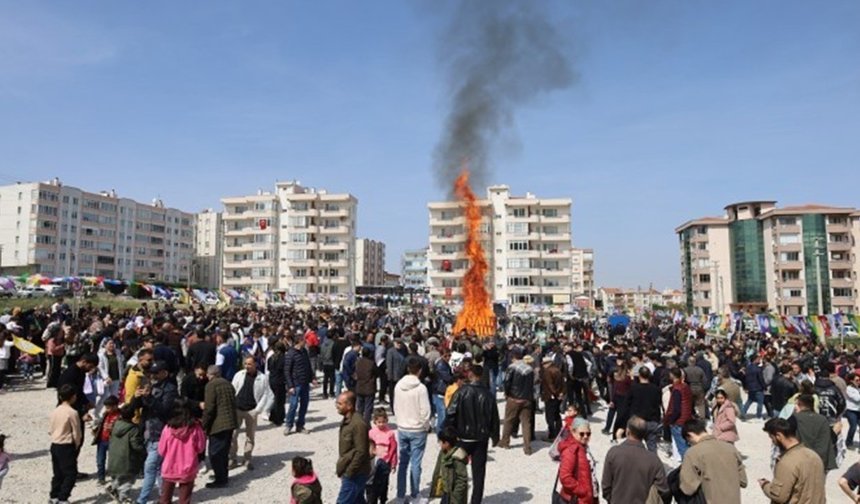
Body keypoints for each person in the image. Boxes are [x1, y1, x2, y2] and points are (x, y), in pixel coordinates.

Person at [444, 364, 499, 504]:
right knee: (479, 474)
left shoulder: (461, 392)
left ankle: (454, 499)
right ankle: (476, 501)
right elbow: (494, 417)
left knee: (455, 470)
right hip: (481, 439)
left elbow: (450, 413)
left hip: (463, 437)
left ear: (470, 374)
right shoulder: (488, 394)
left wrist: (449, 432)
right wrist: (495, 436)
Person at [129, 360, 179, 504]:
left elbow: (165, 410)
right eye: (152, 373)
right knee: (158, 468)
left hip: (160, 434)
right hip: (147, 433)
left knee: (150, 467)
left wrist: (149, 397)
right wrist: (137, 397)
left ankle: (142, 500)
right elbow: (135, 407)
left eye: (156, 373)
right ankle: (164, 496)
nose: (154, 375)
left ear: (165, 373)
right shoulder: (152, 386)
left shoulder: (170, 389)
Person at [601, 416, 669, 504]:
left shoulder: (613, 453)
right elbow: (663, 490)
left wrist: (612, 500)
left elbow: (606, 486)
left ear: (627, 431)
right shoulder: (654, 460)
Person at [679, 418, 747, 504]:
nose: (689, 444)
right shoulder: (731, 448)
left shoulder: (692, 452)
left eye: (688, 442)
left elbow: (687, 488)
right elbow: (743, 481)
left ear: (690, 435)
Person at [759, 418, 825, 503]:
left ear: (779, 436)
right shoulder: (814, 456)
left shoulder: (787, 462)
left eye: (772, 438)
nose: (773, 442)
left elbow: (779, 496)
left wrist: (765, 485)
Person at [393, 356, 431, 503]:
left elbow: (395, 406)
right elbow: (425, 412)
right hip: (417, 429)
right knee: (416, 463)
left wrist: (400, 420)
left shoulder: (398, 386)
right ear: (419, 370)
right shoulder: (421, 388)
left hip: (402, 427)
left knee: (403, 463)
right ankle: (415, 495)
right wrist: (425, 425)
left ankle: (401, 495)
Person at [157, 398, 206, 504]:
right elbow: (200, 447)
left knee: (164, 499)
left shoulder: (168, 428)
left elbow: (161, 450)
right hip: (188, 467)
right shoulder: (195, 428)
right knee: (184, 500)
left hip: (169, 466)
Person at [230, 355, 273, 470]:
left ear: (255, 364)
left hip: (251, 411)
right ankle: (232, 458)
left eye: (249, 364)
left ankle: (247, 458)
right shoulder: (239, 375)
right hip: (237, 409)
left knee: (250, 436)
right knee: (233, 435)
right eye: (245, 364)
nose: (247, 366)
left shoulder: (263, 378)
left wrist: (258, 410)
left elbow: (266, 394)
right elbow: (233, 388)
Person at [201, 365, 238, 489]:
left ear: (210, 374)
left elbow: (209, 408)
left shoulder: (211, 386)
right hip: (230, 422)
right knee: (224, 451)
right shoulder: (228, 383)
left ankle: (220, 479)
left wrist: (203, 424)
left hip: (218, 424)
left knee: (215, 453)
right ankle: (223, 475)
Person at [336, 391, 371, 504]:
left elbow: (361, 452)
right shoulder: (347, 421)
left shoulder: (358, 424)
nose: (337, 406)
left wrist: (349, 472)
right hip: (352, 471)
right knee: (357, 500)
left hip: (356, 473)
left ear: (349, 406)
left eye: (340, 404)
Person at [50, 384, 83, 504]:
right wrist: (77, 445)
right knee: (70, 473)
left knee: (57, 472)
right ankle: (63, 497)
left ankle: (54, 495)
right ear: (73, 397)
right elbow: (77, 432)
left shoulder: (55, 410)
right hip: (66, 444)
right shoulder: (72, 412)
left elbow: (51, 429)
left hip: (55, 443)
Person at [499, 347, 535, 455]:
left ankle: (505, 441)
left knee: (509, 420)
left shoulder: (512, 367)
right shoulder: (529, 368)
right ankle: (527, 447)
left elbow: (507, 382)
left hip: (514, 398)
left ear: (513, 357)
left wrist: (506, 393)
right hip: (527, 398)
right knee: (526, 423)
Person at [107, 405, 145, 504]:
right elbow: (135, 445)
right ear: (132, 416)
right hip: (127, 459)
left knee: (117, 476)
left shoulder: (115, 425)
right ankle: (124, 498)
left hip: (114, 457)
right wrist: (144, 450)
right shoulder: (133, 429)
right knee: (128, 480)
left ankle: (113, 488)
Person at [556, 418, 598, 504]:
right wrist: (583, 491)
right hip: (577, 499)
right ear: (573, 432)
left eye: (588, 434)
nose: (585, 436)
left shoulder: (582, 446)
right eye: (582, 434)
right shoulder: (571, 450)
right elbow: (565, 477)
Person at [792, 394, 837, 471]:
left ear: (800, 404)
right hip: (820, 460)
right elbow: (832, 438)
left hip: (800, 460)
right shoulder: (823, 419)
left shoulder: (794, 418)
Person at [627, 366, 663, 452]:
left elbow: (627, 404)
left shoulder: (633, 388)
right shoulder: (656, 389)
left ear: (639, 375)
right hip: (652, 420)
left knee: (634, 447)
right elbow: (658, 403)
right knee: (652, 448)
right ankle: (653, 464)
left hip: (637, 421)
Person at [429, 426, 468, 504]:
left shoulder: (457, 457)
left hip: (454, 496)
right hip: (446, 492)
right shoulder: (443, 452)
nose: (439, 444)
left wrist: (455, 499)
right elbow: (438, 470)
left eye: (440, 442)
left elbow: (462, 479)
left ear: (447, 443)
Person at [284, 336, 314, 436]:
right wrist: (290, 385)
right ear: (299, 342)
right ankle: (288, 425)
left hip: (305, 382)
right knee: (293, 405)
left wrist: (312, 377)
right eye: (304, 341)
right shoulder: (291, 353)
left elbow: (308, 365)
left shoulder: (304, 351)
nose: (305, 342)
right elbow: (287, 371)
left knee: (304, 405)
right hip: (296, 383)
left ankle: (300, 425)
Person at [367, 408, 397, 504]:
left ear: (386, 421)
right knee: (372, 483)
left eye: (383, 422)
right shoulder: (371, 433)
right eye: (379, 422)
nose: (381, 424)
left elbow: (393, 448)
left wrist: (393, 463)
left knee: (384, 483)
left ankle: (383, 499)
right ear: (375, 421)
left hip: (385, 461)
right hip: (374, 461)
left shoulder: (390, 433)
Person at [663, 367, 693, 460]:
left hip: (678, 422)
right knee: (687, 446)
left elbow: (676, 409)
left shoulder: (676, 390)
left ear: (672, 376)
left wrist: (670, 421)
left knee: (682, 448)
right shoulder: (686, 386)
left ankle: (688, 468)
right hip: (687, 419)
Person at [92, 395, 121, 484]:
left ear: (115, 406)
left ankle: (114, 477)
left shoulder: (120, 416)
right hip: (102, 440)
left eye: (109, 408)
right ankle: (101, 478)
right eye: (106, 407)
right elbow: (100, 424)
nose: (107, 409)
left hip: (113, 441)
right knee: (100, 460)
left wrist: (113, 429)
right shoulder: (105, 414)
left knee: (113, 461)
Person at [540, 356, 564, 441]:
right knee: (557, 415)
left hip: (550, 396)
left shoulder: (547, 372)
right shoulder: (558, 370)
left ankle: (552, 435)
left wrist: (556, 393)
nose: (543, 365)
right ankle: (559, 433)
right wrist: (561, 393)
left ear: (548, 363)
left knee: (549, 417)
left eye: (544, 364)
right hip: (558, 396)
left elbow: (550, 385)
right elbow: (562, 383)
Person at [432, 350, 455, 433]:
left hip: (442, 390)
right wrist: (454, 377)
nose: (448, 358)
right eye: (446, 356)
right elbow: (447, 378)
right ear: (442, 356)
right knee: (442, 415)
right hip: (439, 391)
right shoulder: (441, 365)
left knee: (443, 414)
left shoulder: (445, 364)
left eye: (449, 356)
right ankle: (440, 433)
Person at [266, 341, 287, 426]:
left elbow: (269, 368)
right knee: (280, 400)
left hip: (272, 379)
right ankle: (278, 418)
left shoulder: (271, 358)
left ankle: (273, 416)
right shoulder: (283, 358)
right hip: (280, 380)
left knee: (276, 399)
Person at [355, 347, 377, 425]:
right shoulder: (371, 363)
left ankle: (359, 422)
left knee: (360, 407)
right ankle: (366, 423)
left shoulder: (358, 362)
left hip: (359, 386)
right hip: (369, 387)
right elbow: (376, 373)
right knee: (368, 407)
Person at [742, 354, 767, 420]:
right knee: (760, 403)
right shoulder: (758, 369)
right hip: (758, 387)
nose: (759, 360)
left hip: (750, 387)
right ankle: (759, 416)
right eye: (758, 359)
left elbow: (745, 378)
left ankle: (743, 412)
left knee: (749, 401)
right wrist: (764, 387)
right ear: (755, 360)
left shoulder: (747, 368)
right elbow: (761, 379)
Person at [846, 373, 860, 448]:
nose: (858, 382)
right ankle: (849, 442)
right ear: (851, 381)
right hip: (851, 411)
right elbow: (857, 399)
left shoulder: (858, 388)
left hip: (859, 410)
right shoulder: (849, 389)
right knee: (853, 427)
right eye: (857, 380)